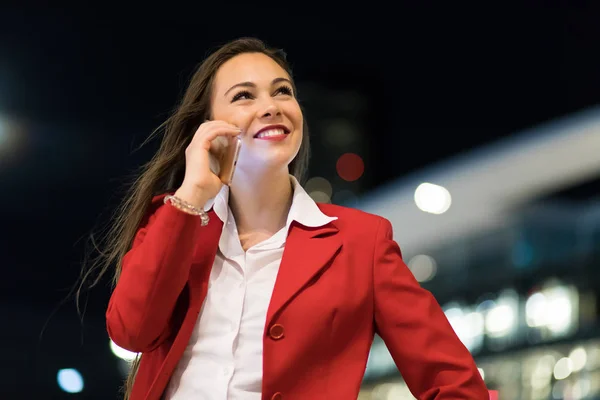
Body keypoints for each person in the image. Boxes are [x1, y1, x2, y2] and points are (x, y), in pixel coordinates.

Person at [100, 37, 490, 399]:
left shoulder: (361, 242)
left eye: (282, 91)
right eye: (244, 96)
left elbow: (455, 384)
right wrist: (191, 197)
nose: (270, 106)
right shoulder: (175, 220)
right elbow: (132, 332)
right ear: (207, 126)